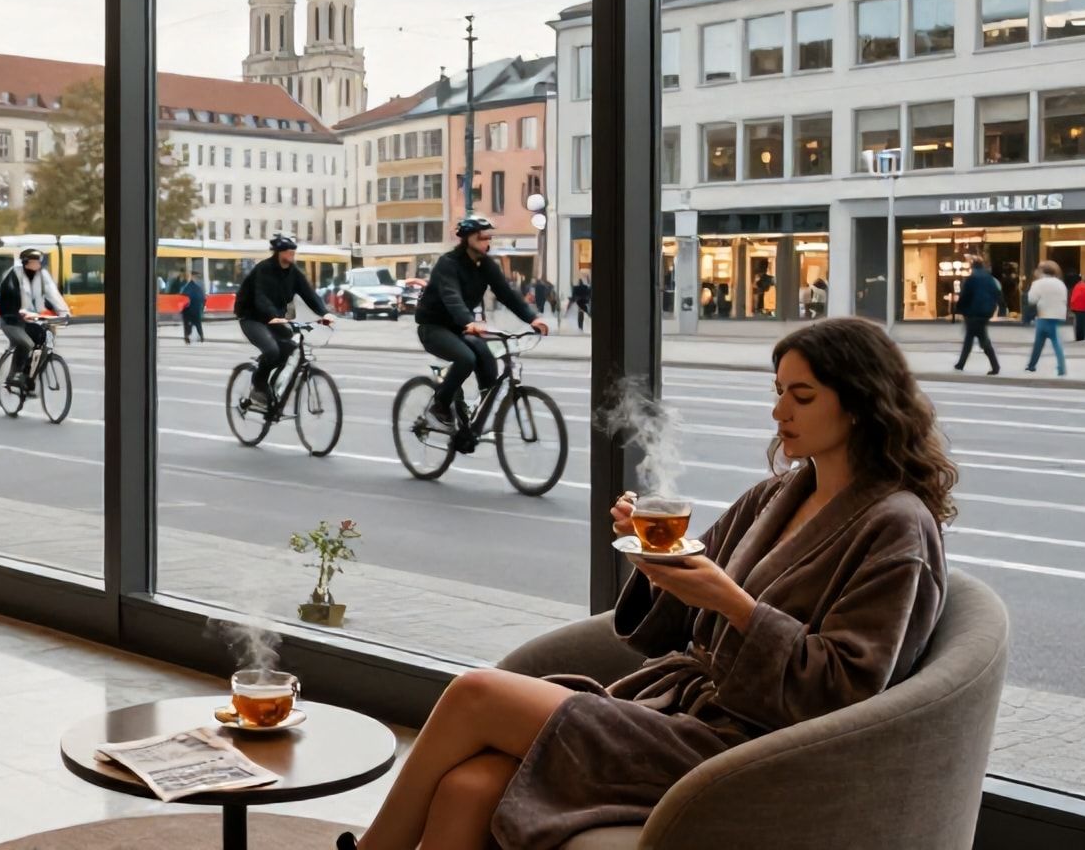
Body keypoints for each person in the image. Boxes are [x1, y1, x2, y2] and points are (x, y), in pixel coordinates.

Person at [339, 317, 952, 850]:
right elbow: (681, 614)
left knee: (477, 694)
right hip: (683, 713)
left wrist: (734, 605)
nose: (778, 412)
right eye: (777, 392)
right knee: (466, 787)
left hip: (752, 750)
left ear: (859, 402)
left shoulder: (897, 528)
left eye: (802, 395)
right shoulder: (778, 494)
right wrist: (652, 556)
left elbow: (847, 692)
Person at [413, 217, 551, 429]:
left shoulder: (485, 265)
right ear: (468, 239)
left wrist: (533, 318)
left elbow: (507, 294)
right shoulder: (447, 264)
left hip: (460, 328)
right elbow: (452, 296)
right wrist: (469, 321)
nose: (487, 242)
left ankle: (475, 421)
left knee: (487, 358)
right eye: (482, 237)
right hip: (433, 327)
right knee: (466, 358)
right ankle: (440, 405)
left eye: (489, 237)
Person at [234, 234, 334, 411]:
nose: (292, 255)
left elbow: (309, 294)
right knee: (272, 350)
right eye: (288, 252)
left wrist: (325, 314)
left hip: (275, 319)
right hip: (252, 318)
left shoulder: (293, 273)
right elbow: (261, 298)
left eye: (293, 252)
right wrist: (276, 317)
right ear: (279, 253)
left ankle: (271, 389)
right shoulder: (264, 270)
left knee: (289, 348)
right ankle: (258, 385)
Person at [0, 247, 70, 394]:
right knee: (26, 344)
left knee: (45, 344)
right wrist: (16, 313)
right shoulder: (14, 275)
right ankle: (15, 375)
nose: (37, 264)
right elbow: (5, 297)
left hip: (33, 320)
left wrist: (64, 312)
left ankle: (29, 376)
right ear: (25, 262)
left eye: (39, 261)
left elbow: (52, 293)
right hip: (12, 320)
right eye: (33, 262)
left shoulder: (42, 275)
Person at [953, 255, 1002, 375]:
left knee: (981, 340)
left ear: (972, 267)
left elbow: (965, 296)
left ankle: (995, 366)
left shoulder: (971, 279)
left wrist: (959, 308)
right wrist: (993, 307)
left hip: (973, 313)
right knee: (971, 338)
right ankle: (961, 364)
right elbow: (997, 293)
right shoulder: (990, 278)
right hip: (985, 313)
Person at [1025, 260, 1069, 377]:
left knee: (1047, 342)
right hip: (1057, 315)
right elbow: (1064, 299)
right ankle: (1032, 365)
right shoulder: (1060, 283)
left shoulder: (1038, 283)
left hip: (1044, 315)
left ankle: (1060, 367)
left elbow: (1031, 299)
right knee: (1044, 341)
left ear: (1042, 271)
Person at [180, 270, 207, 344]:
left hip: (190, 309)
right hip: (194, 308)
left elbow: (183, 297)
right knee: (196, 323)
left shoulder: (187, 286)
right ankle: (200, 336)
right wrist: (203, 306)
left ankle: (189, 337)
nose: (196, 278)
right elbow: (203, 298)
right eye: (196, 276)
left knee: (189, 324)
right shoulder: (197, 287)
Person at [1070, 272, 1085, 343]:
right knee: (1083, 323)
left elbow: (1074, 297)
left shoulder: (1077, 286)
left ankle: (1079, 337)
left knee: (1078, 323)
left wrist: (1072, 305)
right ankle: (1084, 337)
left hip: (1077, 307)